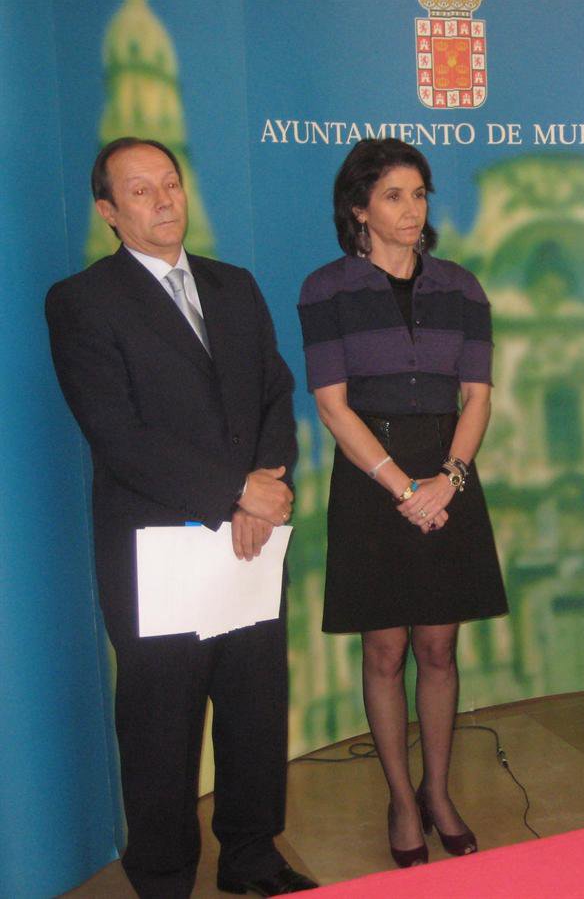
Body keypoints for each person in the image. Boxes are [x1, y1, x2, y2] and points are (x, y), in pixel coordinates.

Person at [45, 137, 314, 897]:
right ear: (108, 211)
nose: (164, 200)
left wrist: (264, 488)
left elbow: (274, 393)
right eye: (140, 191)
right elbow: (118, 434)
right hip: (155, 551)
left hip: (249, 541)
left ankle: (251, 856)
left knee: (254, 710)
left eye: (170, 183)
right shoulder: (82, 301)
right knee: (161, 725)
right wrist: (234, 492)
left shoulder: (235, 286)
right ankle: (163, 877)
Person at [298, 138, 507, 868]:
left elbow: (477, 397)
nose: (411, 209)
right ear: (358, 209)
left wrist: (449, 478)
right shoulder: (326, 290)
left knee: (439, 648)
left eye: (419, 194)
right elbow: (332, 405)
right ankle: (400, 800)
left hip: (449, 476)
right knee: (385, 650)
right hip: (370, 478)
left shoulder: (462, 288)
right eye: (393, 195)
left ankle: (438, 792)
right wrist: (403, 488)